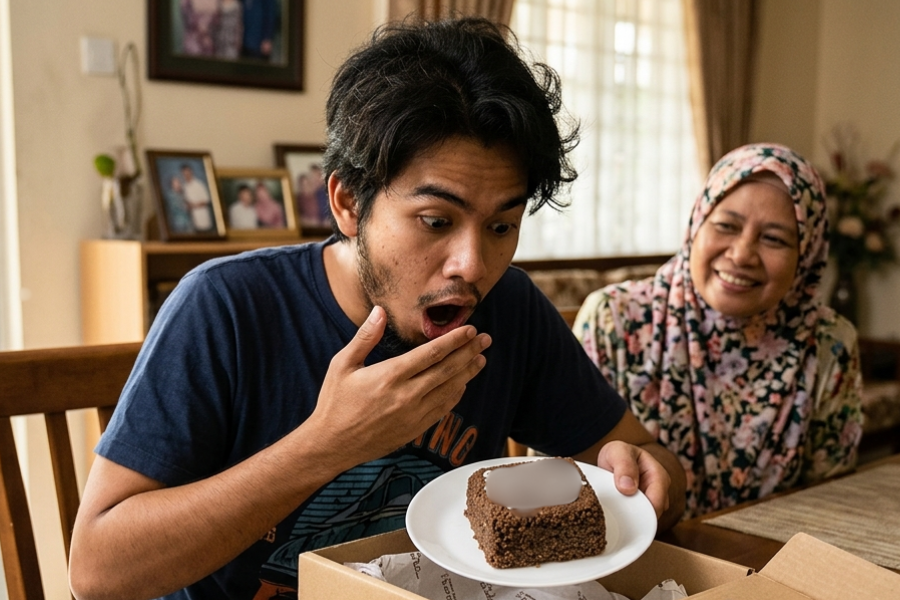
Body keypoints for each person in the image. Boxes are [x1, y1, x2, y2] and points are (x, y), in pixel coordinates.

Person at [69, 18, 686, 600]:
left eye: (502, 225)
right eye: (436, 220)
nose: (471, 265)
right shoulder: (227, 306)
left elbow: (653, 464)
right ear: (346, 202)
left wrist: (641, 474)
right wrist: (325, 444)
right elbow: (96, 572)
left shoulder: (510, 309)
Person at [573, 143, 864, 519]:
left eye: (774, 238)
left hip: (769, 561)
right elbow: (558, 473)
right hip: (626, 557)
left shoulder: (828, 345)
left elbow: (831, 500)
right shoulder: (613, 319)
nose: (742, 254)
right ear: (697, 224)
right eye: (726, 226)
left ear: (806, 255)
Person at [180, 163, 214, 232]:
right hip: (192, 222)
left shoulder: (199, 184)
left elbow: (206, 201)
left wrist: (193, 205)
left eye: (188, 173)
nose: (186, 175)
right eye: (184, 174)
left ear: (191, 172)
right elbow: (185, 202)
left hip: (203, 220)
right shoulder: (184, 187)